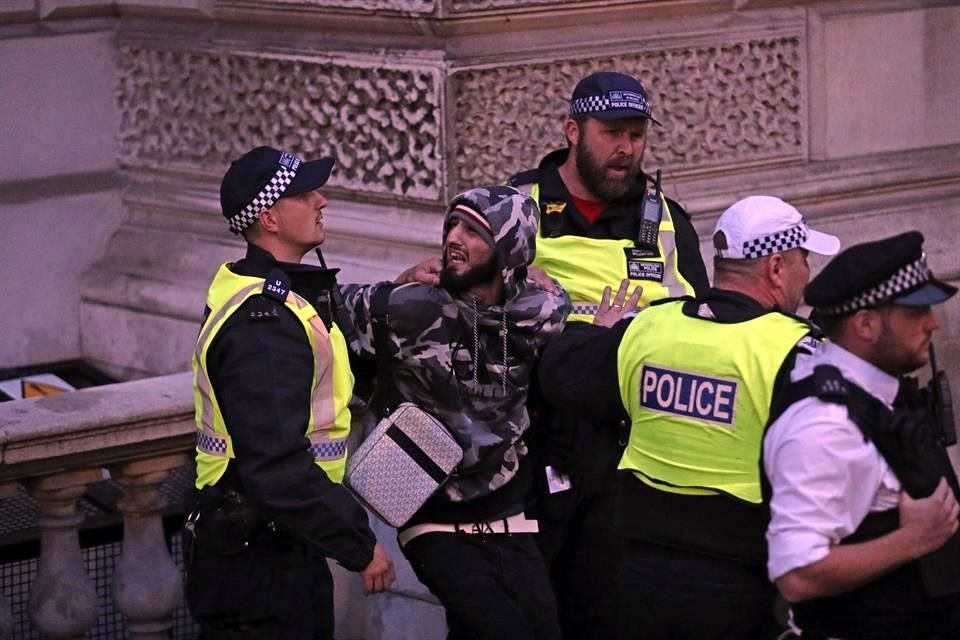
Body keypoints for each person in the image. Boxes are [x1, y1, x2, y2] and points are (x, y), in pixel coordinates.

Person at [399, 70, 710, 639]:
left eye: (637, 134)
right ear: (573, 131)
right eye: (612, 133)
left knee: (601, 613)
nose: (626, 149)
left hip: (623, 448)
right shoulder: (515, 206)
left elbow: (696, 325)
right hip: (524, 444)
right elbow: (459, 307)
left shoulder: (665, 218)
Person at [537, 195, 840, 639]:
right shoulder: (796, 351)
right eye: (803, 259)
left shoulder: (648, 328)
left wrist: (595, 331)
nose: (807, 273)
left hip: (634, 579)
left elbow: (560, 375)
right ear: (776, 267)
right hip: (741, 587)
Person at [340, 185, 570, 640]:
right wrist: (401, 279)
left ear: (508, 251)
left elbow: (558, 305)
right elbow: (320, 307)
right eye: (452, 225)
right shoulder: (408, 307)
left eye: (473, 231)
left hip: (508, 504)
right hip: (430, 509)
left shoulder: (541, 312)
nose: (453, 238)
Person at [186, 146, 395, 639]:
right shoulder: (263, 325)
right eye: (304, 194)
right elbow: (275, 463)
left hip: (277, 547)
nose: (322, 201)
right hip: (259, 566)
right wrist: (358, 543)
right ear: (270, 218)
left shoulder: (280, 298)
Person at [764, 231, 960, 640]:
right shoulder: (824, 425)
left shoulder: (875, 395)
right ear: (866, 324)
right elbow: (797, 574)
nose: (932, 323)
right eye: (915, 312)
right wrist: (914, 539)